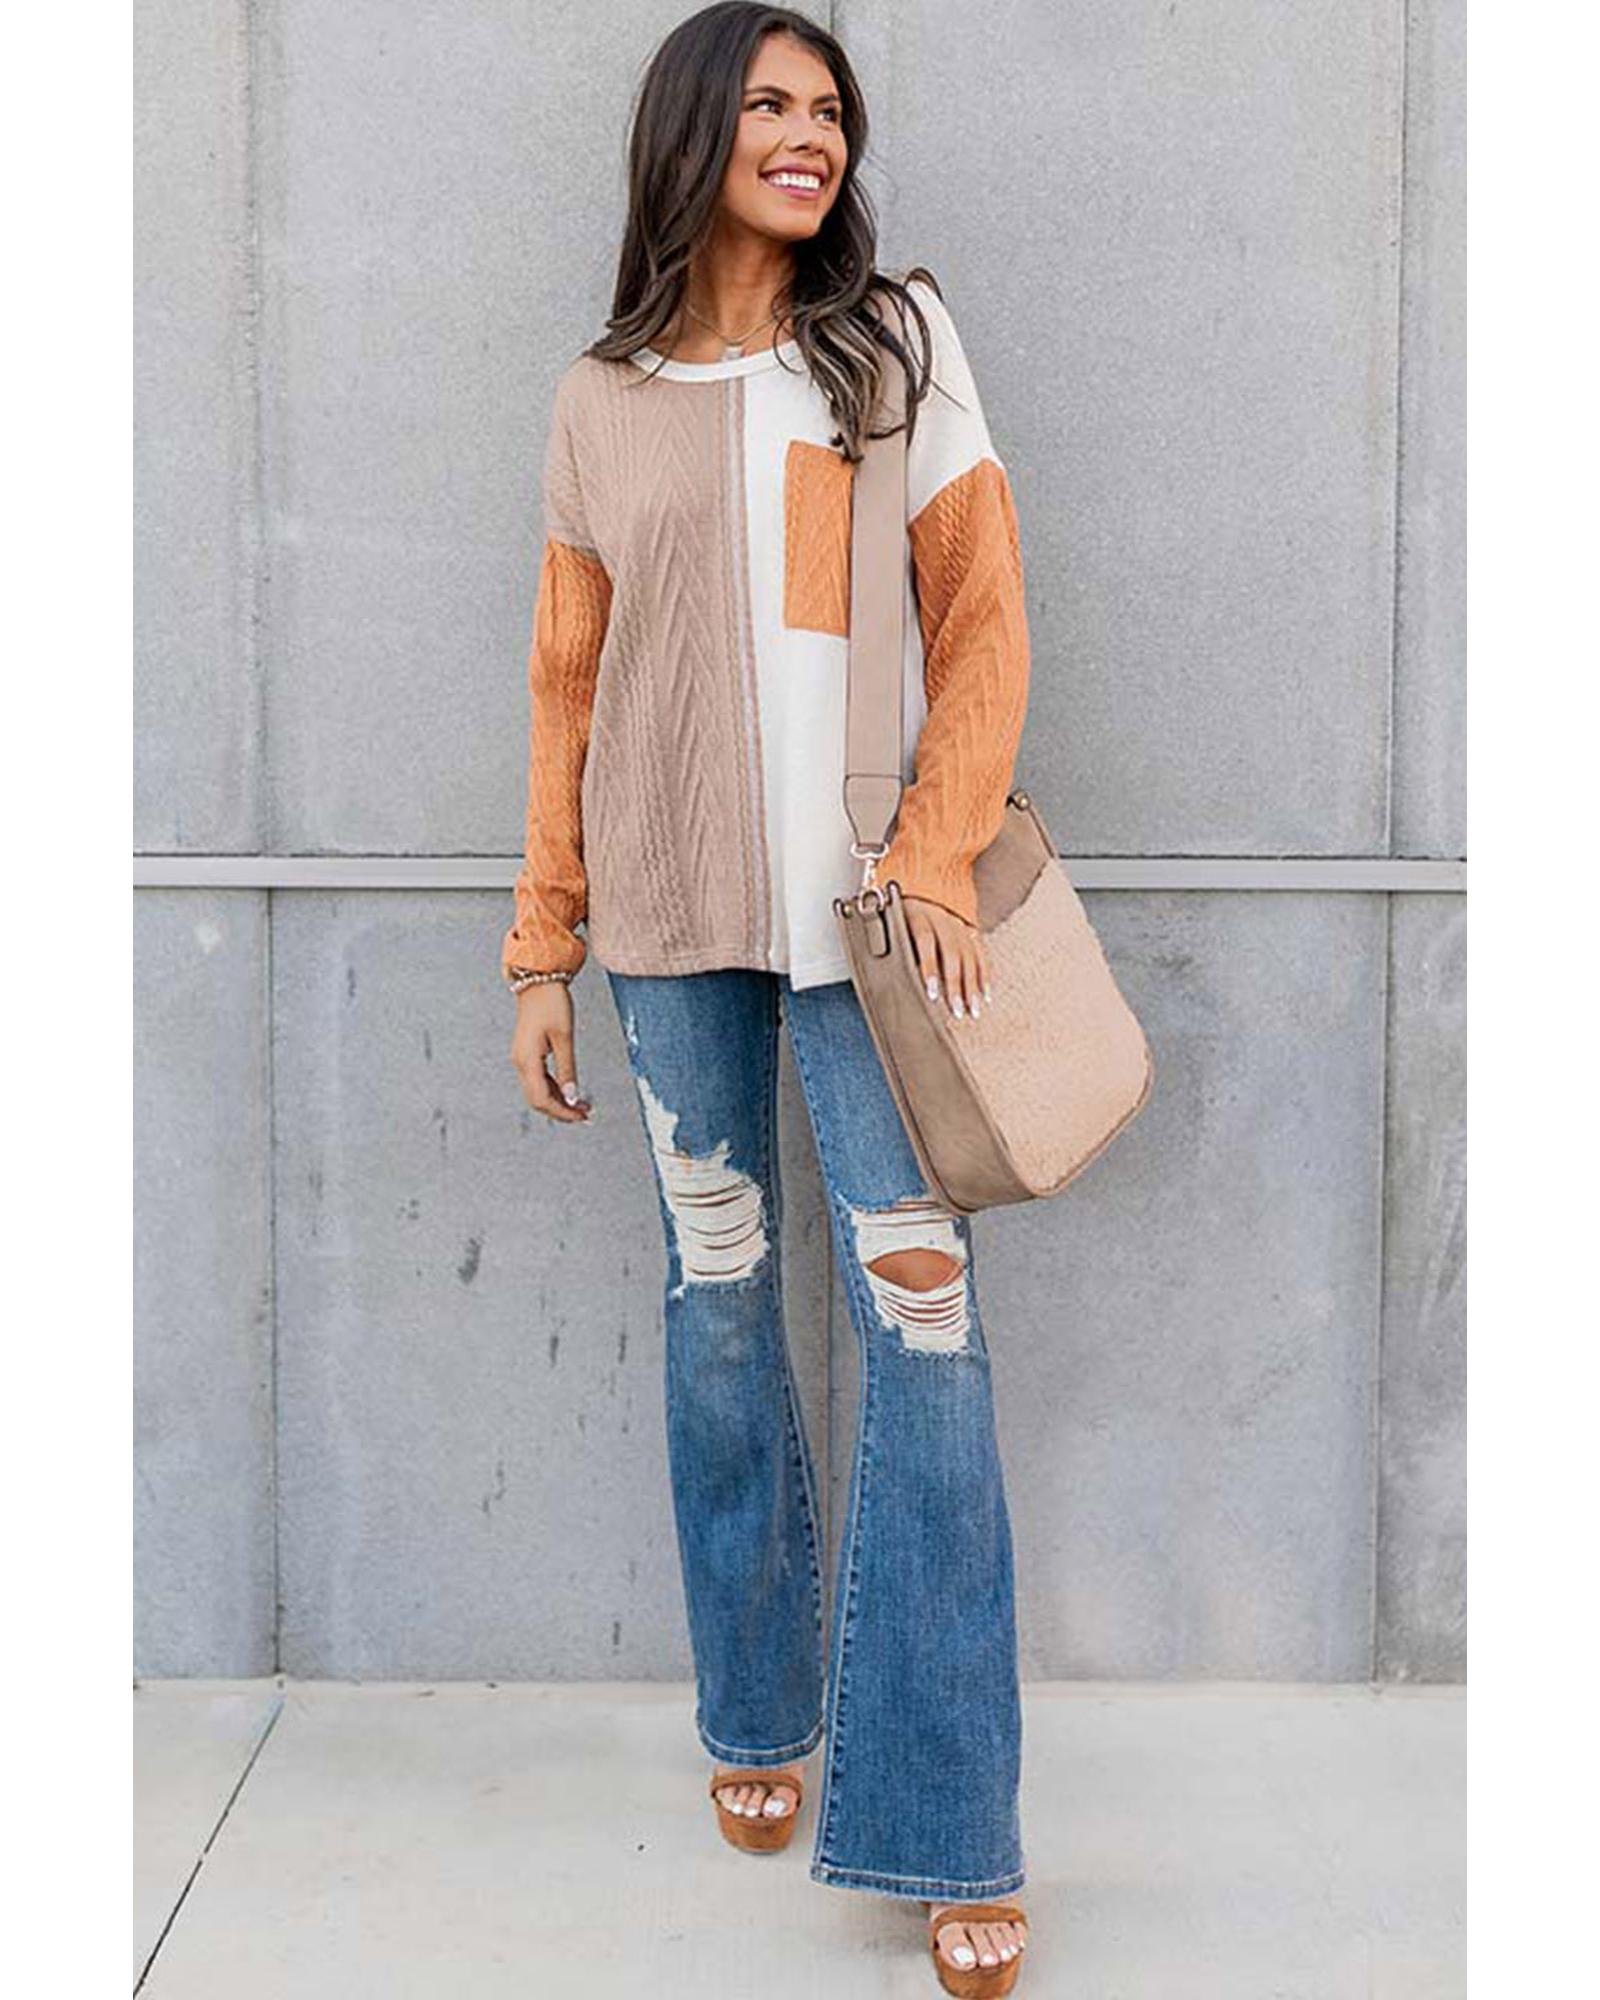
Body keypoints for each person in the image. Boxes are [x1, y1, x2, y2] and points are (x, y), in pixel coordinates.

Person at [503, 6, 1033, 1990]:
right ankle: (754, 1700)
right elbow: (567, 684)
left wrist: (931, 853)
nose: (808, 135)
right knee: (718, 1308)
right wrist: (542, 941)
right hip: (660, 916)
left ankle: (948, 1820)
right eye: (770, 105)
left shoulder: (891, 345)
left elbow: (982, 618)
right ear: (690, 136)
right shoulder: (598, 397)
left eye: (828, 110)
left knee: (924, 1330)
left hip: (871, 921)